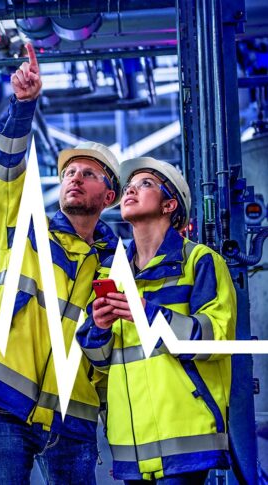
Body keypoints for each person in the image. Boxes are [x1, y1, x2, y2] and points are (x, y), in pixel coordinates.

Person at [0, 43, 122, 484]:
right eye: (70, 172)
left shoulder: (113, 267)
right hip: (5, 402)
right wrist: (23, 105)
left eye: (88, 174)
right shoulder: (25, 227)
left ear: (108, 198)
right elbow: (3, 173)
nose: (75, 178)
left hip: (74, 416)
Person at [77, 157, 236, 483]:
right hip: (130, 444)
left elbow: (216, 337)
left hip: (185, 436)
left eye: (145, 183)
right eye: (129, 186)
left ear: (169, 204)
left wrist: (147, 313)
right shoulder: (111, 273)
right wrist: (99, 329)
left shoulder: (200, 262)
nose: (131, 189)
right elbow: (102, 364)